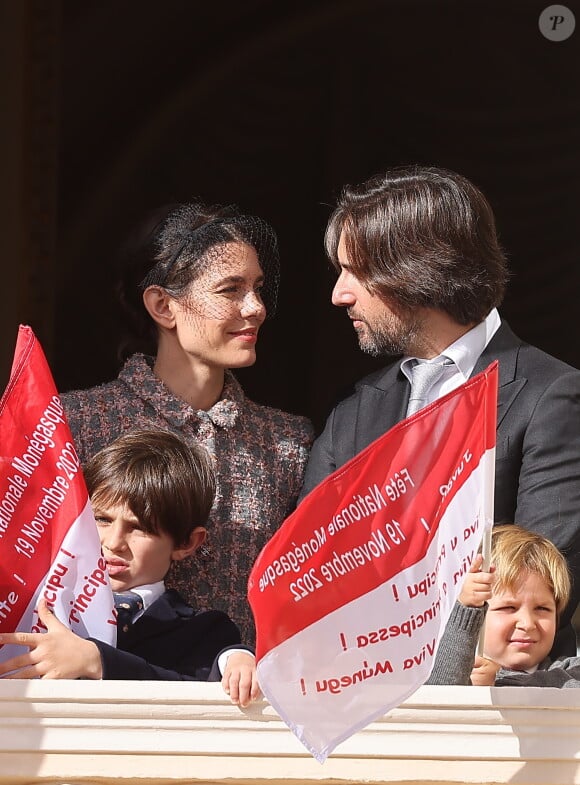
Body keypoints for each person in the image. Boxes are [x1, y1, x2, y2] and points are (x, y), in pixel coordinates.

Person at [298, 165, 580, 657]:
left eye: (356, 272)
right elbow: (310, 565)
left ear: (420, 268)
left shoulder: (551, 395)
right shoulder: (355, 407)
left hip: (489, 712)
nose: (339, 294)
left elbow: (541, 581)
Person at [59, 202, 315, 646]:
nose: (256, 307)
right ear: (163, 305)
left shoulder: (288, 443)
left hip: (241, 708)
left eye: (257, 288)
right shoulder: (75, 422)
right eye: (230, 289)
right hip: (95, 702)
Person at [0, 429, 259, 704]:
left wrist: (98, 662)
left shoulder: (206, 633)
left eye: (139, 528)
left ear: (187, 542)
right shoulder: (32, 604)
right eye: (101, 519)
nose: (114, 543)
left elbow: (195, 703)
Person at [427, 524, 580, 688]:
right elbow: (440, 689)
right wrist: (466, 608)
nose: (527, 624)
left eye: (542, 609)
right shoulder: (454, 671)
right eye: (509, 608)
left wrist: (500, 681)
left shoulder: (568, 672)